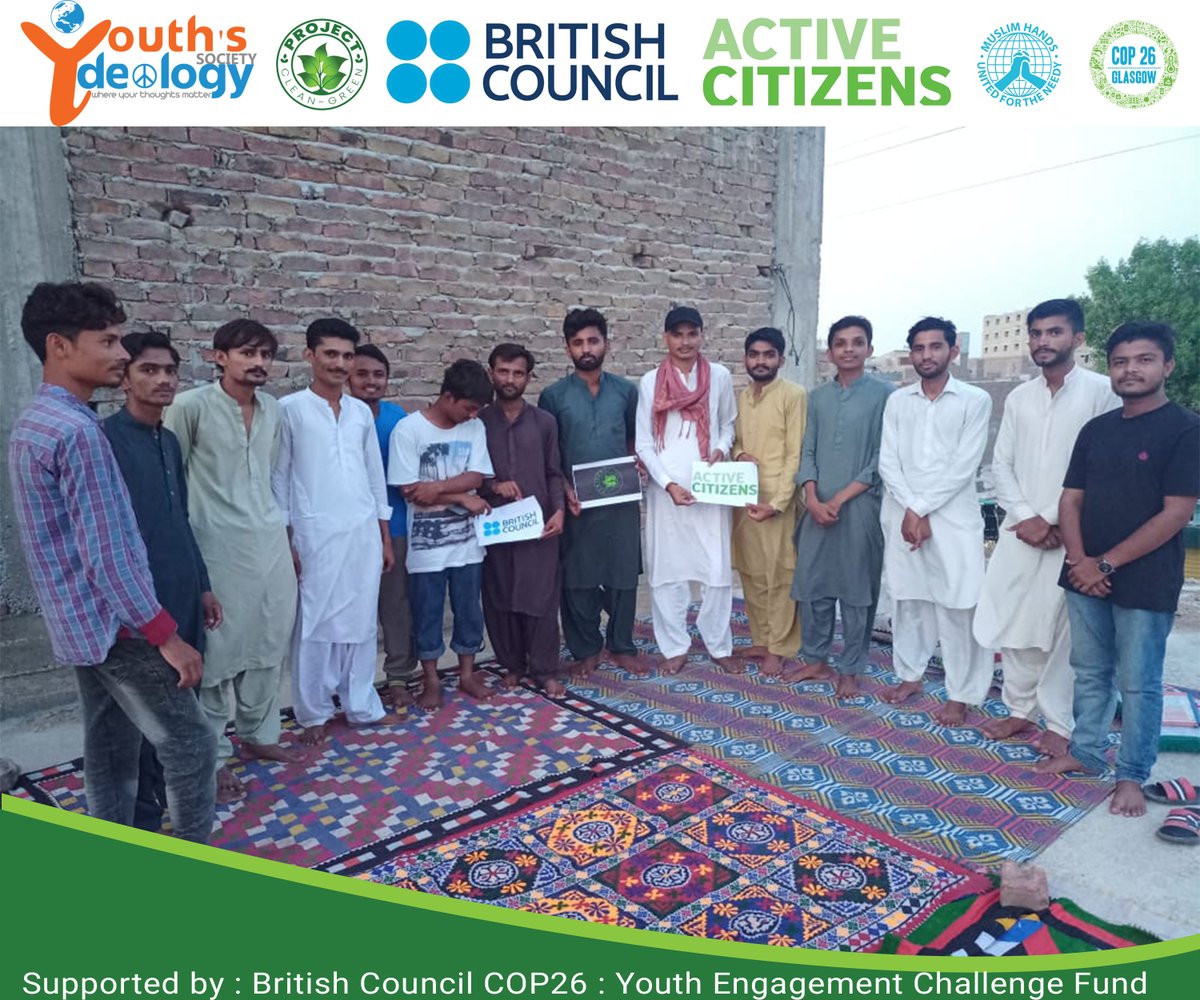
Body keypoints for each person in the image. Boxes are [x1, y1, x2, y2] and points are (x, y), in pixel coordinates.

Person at [9, 282, 215, 842]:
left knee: (110, 747)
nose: (121, 354)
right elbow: (108, 553)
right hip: (118, 627)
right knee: (193, 743)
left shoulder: (36, 422)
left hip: (78, 623)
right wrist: (166, 636)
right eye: (107, 341)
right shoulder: (80, 432)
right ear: (59, 346)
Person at [1036, 322, 1199, 818]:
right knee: (1089, 671)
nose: (1131, 370)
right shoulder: (1097, 430)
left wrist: (1103, 563)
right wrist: (1080, 562)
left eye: (1144, 360)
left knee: (1138, 681)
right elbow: (1070, 500)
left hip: (1145, 580)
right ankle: (1086, 752)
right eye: (1121, 361)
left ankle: (1131, 773)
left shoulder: (1186, 429)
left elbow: (1176, 513)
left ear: (1167, 365)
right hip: (1083, 574)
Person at [165, 319, 302, 802]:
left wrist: (287, 539)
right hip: (214, 545)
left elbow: (271, 475)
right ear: (219, 356)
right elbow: (171, 480)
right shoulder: (190, 407)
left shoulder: (273, 410)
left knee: (269, 636)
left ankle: (259, 734)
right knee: (219, 650)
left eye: (265, 354)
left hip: (268, 540)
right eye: (247, 353)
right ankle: (214, 757)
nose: (258, 362)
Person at [974, 300, 1118, 756]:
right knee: (1016, 616)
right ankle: (1019, 709)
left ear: (1077, 338)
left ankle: (1058, 722)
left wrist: (1054, 520)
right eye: (1036, 333)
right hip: (1023, 529)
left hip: (1076, 531)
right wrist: (1027, 517)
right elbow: (1002, 464)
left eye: (1054, 332)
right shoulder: (1020, 397)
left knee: (1064, 629)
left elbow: (1104, 467)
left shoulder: (1102, 392)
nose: (1043, 341)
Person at [102, 331, 223, 832]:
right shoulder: (106, 442)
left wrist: (203, 584)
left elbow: (180, 520)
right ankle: (146, 820)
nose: (163, 380)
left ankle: (175, 803)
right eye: (148, 370)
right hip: (141, 602)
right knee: (148, 720)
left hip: (182, 591)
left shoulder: (168, 440)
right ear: (125, 379)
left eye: (170, 370)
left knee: (185, 699)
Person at [273, 319, 393, 745]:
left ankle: (361, 705)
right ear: (310, 355)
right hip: (313, 532)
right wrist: (286, 538)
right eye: (331, 354)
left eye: (346, 356)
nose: (340, 364)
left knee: (361, 620)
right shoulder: (289, 409)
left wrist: (384, 535)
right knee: (315, 623)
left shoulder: (360, 412)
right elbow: (280, 477)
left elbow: (374, 475)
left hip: (362, 532)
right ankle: (314, 712)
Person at [878, 317, 994, 725]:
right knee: (908, 600)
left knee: (958, 605)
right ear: (911, 354)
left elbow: (964, 464)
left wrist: (921, 508)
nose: (926, 355)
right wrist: (911, 508)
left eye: (935, 346)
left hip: (952, 519)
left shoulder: (974, 400)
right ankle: (909, 675)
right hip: (901, 513)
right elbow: (888, 461)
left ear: (953, 351)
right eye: (919, 348)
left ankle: (961, 693)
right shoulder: (898, 401)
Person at [790, 316, 895, 697]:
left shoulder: (886, 396)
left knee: (856, 591)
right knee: (813, 585)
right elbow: (808, 451)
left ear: (869, 348)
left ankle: (850, 667)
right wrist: (812, 498)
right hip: (816, 508)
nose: (849, 349)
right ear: (830, 352)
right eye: (840, 343)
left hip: (861, 507)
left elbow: (882, 458)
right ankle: (816, 659)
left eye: (857, 342)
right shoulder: (817, 397)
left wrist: (836, 500)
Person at [538, 308, 645, 678]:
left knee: (623, 573)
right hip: (576, 502)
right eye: (578, 342)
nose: (586, 349)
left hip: (620, 499)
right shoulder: (553, 396)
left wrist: (637, 467)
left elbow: (634, 440)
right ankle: (585, 648)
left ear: (606, 344)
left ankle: (621, 645)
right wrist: (564, 488)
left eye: (593, 341)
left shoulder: (626, 392)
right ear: (567, 348)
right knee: (577, 577)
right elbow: (550, 454)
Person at [635, 306, 738, 675]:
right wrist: (669, 484)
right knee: (668, 570)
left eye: (692, 334)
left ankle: (719, 645)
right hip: (667, 491)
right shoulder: (650, 382)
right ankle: (675, 647)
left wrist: (720, 448)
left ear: (701, 336)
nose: (685, 342)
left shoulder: (719, 376)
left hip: (711, 486)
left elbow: (728, 424)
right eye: (677, 335)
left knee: (717, 569)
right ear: (666, 338)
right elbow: (644, 443)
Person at [389, 359, 496, 710]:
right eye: (468, 407)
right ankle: (431, 679)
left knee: (469, 611)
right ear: (448, 397)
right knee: (428, 613)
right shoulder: (409, 430)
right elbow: (409, 491)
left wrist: (435, 489)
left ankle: (466, 674)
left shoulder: (474, 426)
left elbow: (477, 476)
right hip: (425, 548)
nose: (472, 415)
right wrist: (462, 498)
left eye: (477, 410)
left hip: (467, 545)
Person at [479, 344, 567, 696]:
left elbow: (553, 471)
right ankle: (512, 665)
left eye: (518, 373)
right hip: (495, 524)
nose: (510, 380)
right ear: (491, 374)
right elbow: (470, 472)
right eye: (503, 371)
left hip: (539, 525)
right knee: (500, 596)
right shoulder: (478, 421)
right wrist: (493, 486)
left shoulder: (544, 422)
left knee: (541, 597)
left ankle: (545, 669)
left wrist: (559, 510)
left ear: (529, 377)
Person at [729, 327, 805, 678]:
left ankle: (780, 647)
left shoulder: (793, 395)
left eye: (768, 355)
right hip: (745, 497)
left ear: (781, 360)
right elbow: (735, 441)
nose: (761, 361)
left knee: (781, 574)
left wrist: (778, 503)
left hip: (777, 501)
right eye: (754, 354)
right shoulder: (743, 398)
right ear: (745, 359)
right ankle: (761, 639)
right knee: (752, 572)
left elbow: (795, 455)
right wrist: (739, 454)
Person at [348, 343, 418, 708]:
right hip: (350, 529)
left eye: (378, 375)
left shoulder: (397, 418)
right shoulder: (339, 417)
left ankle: (398, 675)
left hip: (397, 525)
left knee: (396, 605)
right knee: (351, 609)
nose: (371, 382)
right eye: (362, 374)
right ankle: (349, 681)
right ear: (348, 377)